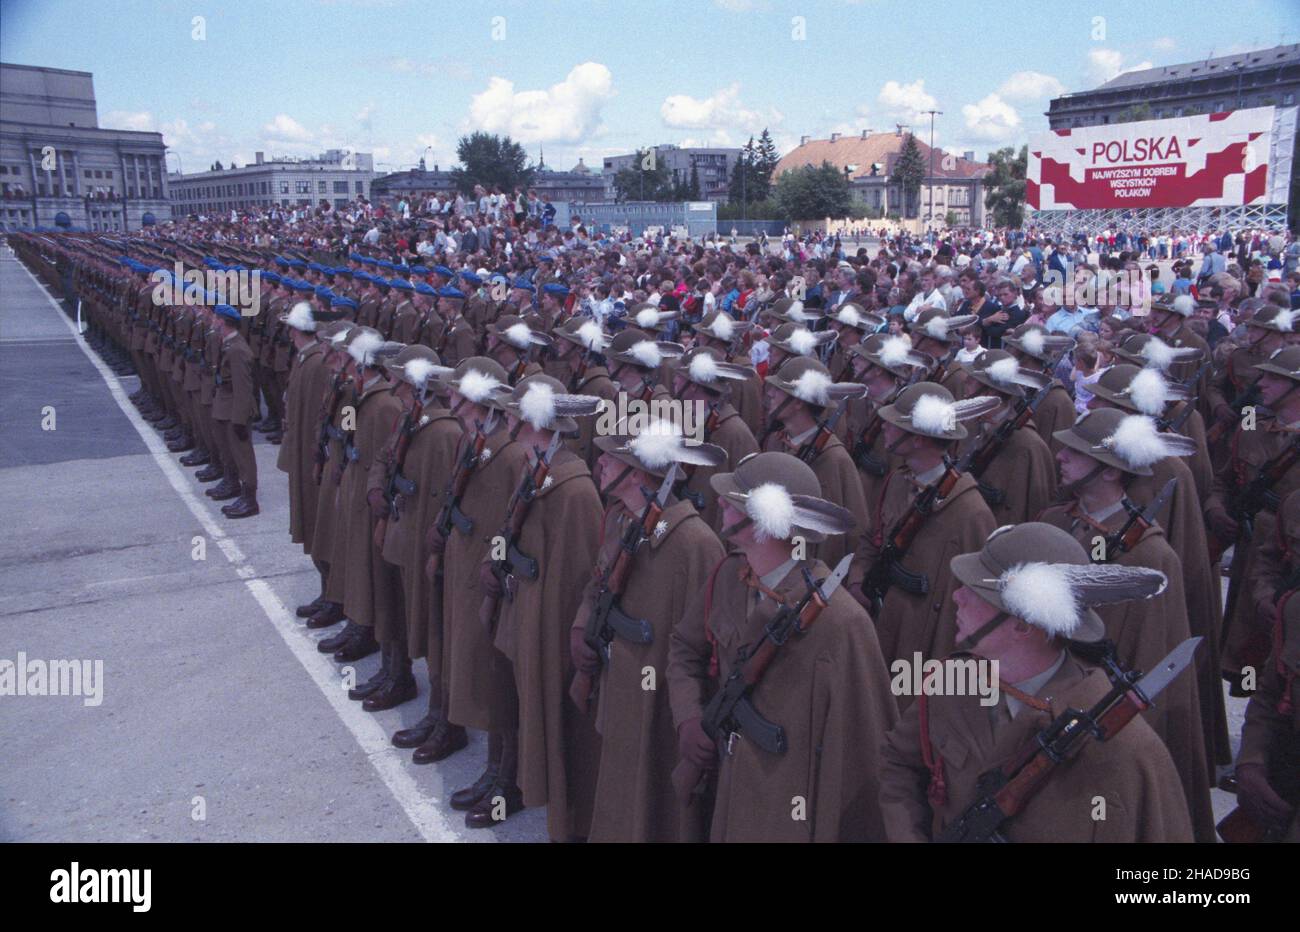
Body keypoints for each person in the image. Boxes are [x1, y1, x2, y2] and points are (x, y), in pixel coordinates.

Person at [879, 523, 1195, 842]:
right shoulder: (950, 683)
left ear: (1022, 625)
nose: (957, 596)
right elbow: (899, 764)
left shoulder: (1123, 746)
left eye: (977, 591)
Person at [667, 452, 899, 841]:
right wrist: (688, 717)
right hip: (725, 784)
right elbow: (685, 648)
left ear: (765, 520)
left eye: (736, 499)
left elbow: (864, 758)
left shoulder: (842, 622)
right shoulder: (729, 576)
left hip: (785, 808)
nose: (721, 501)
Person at [1041, 407, 1216, 841]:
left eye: (1076, 452)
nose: (1060, 455)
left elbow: (1154, 667)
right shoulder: (1054, 524)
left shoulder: (1152, 558)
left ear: (1110, 473)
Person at [573, 421, 727, 841]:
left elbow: (704, 651)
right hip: (620, 679)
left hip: (660, 699)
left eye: (611, 457)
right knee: (620, 790)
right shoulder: (624, 518)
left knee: (657, 803)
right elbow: (599, 582)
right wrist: (581, 625)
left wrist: (688, 715)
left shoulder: (695, 542)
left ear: (638, 473)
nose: (600, 461)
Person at [847, 383, 998, 674]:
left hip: (919, 645)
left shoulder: (971, 513)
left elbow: (975, 600)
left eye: (895, 424)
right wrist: (857, 580)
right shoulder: (897, 481)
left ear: (917, 439)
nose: (885, 427)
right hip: (878, 620)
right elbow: (872, 537)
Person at [208, 303, 259, 518]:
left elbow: (243, 388)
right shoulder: (229, 344)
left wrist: (239, 419)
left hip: (234, 408)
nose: (212, 321)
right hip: (225, 404)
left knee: (242, 453)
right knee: (228, 448)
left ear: (223, 322)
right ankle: (232, 482)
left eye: (216, 318)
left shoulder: (237, 349)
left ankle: (249, 498)